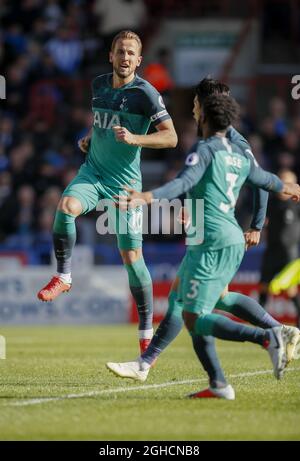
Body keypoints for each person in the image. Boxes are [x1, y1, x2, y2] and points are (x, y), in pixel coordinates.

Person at [107, 93, 300, 399]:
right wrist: (287, 187)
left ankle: (269, 336)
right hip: (229, 237)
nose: (193, 112)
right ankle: (218, 383)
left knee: (193, 316)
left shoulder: (205, 149)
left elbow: (183, 182)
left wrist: (146, 197)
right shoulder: (238, 152)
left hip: (211, 239)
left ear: (207, 116)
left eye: (197, 107)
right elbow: (263, 179)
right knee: (192, 305)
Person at [37, 30, 178, 354]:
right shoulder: (99, 85)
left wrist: (135, 139)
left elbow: (170, 138)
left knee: (131, 257)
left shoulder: (146, 93)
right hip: (93, 172)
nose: (125, 58)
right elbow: (102, 121)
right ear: (111, 56)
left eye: (131, 53)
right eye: (120, 52)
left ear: (139, 60)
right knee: (66, 206)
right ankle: (64, 276)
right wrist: (91, 136)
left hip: (125, 186)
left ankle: (145, 333)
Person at [259, 169, 300, 328]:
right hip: (271, 251)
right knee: (264, 286)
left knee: (290, 290)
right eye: (281, 181)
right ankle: (259, 322)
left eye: (287, 181)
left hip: (290, 253)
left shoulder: (296, 205)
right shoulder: (271, 203)